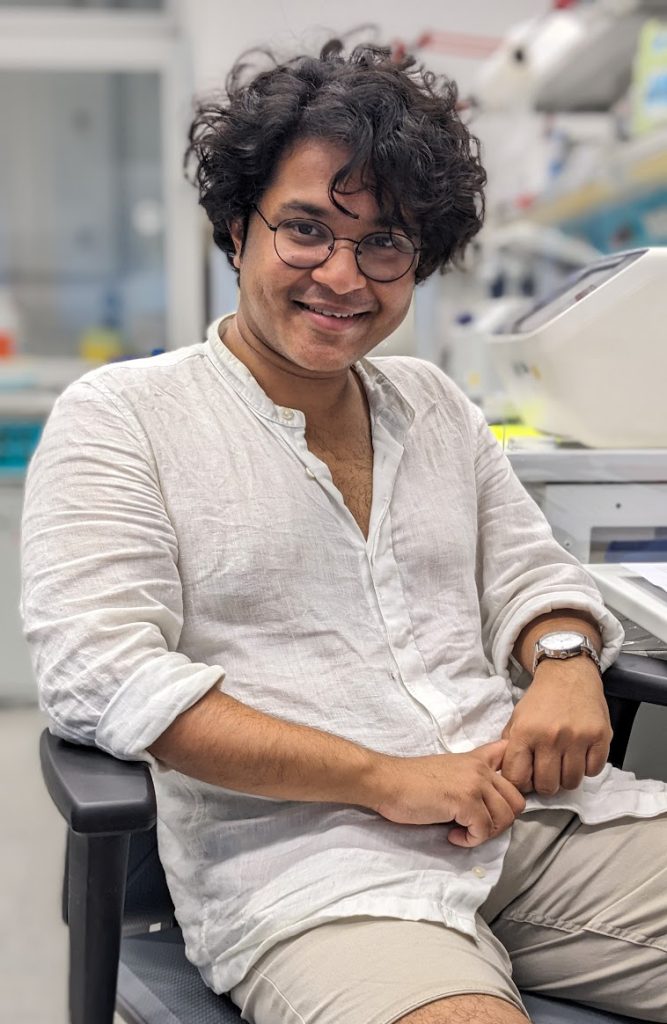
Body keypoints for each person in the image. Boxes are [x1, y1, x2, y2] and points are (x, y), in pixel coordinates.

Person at [21, 39, 667, 1024]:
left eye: (385, 244)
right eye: (307, 229)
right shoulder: (122, 416)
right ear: (237, 230)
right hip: (315, 869)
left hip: (535, 827)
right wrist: (385, 779)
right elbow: (101, 671)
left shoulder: (434, 406)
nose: (343, 275)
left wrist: (570, 661)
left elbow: (531, 574)